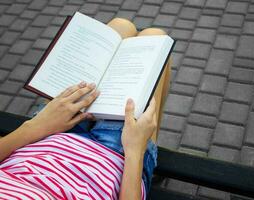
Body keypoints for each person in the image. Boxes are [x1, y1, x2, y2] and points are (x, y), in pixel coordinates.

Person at [0, 18, 171, 200]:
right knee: (155, 40)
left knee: (119, 26)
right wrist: (136, 150)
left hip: (44, 135)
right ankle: (149, 152)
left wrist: (35, 126)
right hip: (116, 158)